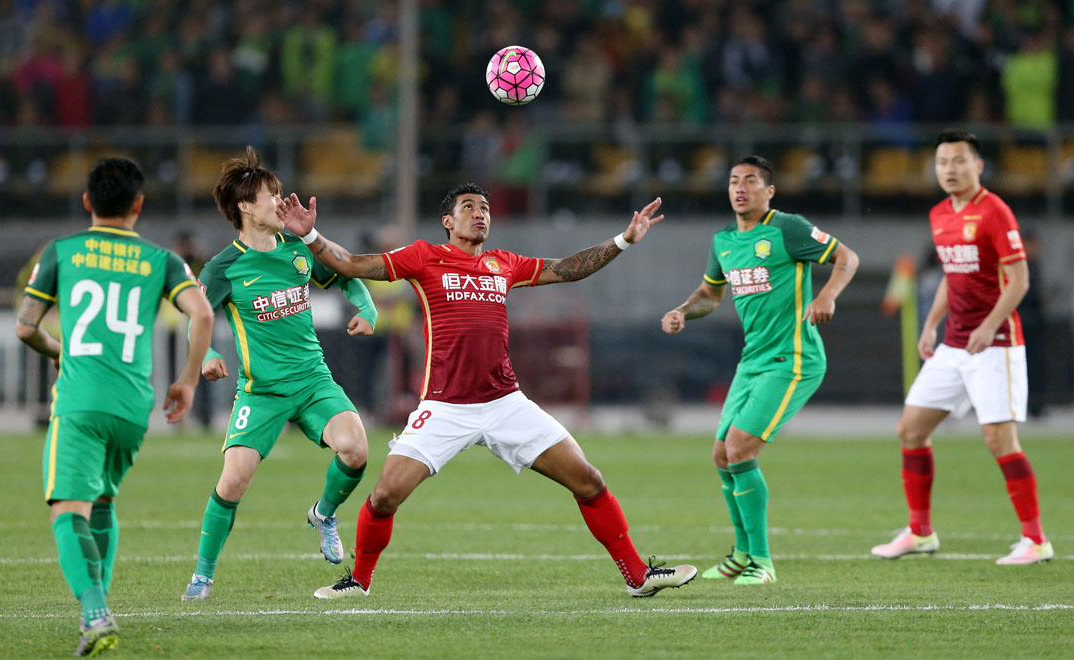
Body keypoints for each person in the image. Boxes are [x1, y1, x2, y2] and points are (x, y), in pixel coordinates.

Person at [277, 183, 697, 600]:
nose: (480, 213)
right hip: (444, 407)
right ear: (447, 221)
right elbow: (351, 264)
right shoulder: (423, 256)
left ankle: (637, 576)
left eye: (485, 208)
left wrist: (625, 239)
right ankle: (359, 581)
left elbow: (570, 267)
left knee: (588, 480)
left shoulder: (504, 263)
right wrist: (309, 234)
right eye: (469, 207)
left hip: (505, 403)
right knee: (385, 495)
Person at [17, 158, 213, 656]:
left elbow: (25, 326)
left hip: (80, 402)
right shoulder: (162, 260)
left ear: (87, 201)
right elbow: (203, 314)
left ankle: (95, 612)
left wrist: (58, 351)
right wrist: (188, 382)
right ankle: (99, 607)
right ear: (138, 204)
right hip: (131, 407)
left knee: (68, 510)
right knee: (102, 501)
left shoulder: (60, 252)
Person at [180, 147, 379, 601]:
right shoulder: (223, 267)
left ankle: (323, 514)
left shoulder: (299, 248)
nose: (280, 201)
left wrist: (366, 308)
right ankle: (203, 575)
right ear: (245, 207)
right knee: (233, 480)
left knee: (356, 449)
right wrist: (207, 353)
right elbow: (198, 317)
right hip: (262, 392)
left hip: (313, 381)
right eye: (270, 195)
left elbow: (345, 273)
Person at [661, 156, 859, 585]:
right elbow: (710, 294)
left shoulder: (787, 228)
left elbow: (848, 257)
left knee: (739, 448)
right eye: (734, 180)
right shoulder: (724, 241)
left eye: (751, 181)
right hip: (752, 361)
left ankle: (763, 563)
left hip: (793, 359)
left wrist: (827, 296)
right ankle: (741, 554)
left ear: (769, 191)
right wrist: (682, 311)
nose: (740, 188)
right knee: (721, 454)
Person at [871, 129, 1053, 565]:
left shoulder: (995, 211)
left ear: (978, 165)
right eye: (942, 162)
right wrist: (931, 325)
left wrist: (990, 326)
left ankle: (1035, 541)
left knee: (999, 440)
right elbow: (952, 279)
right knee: (911, 430)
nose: (949, 169)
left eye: (958, 160)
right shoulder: (939, 214)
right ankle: (920, 533)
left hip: (996, 344)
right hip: (954, 344)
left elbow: (1020, 280)